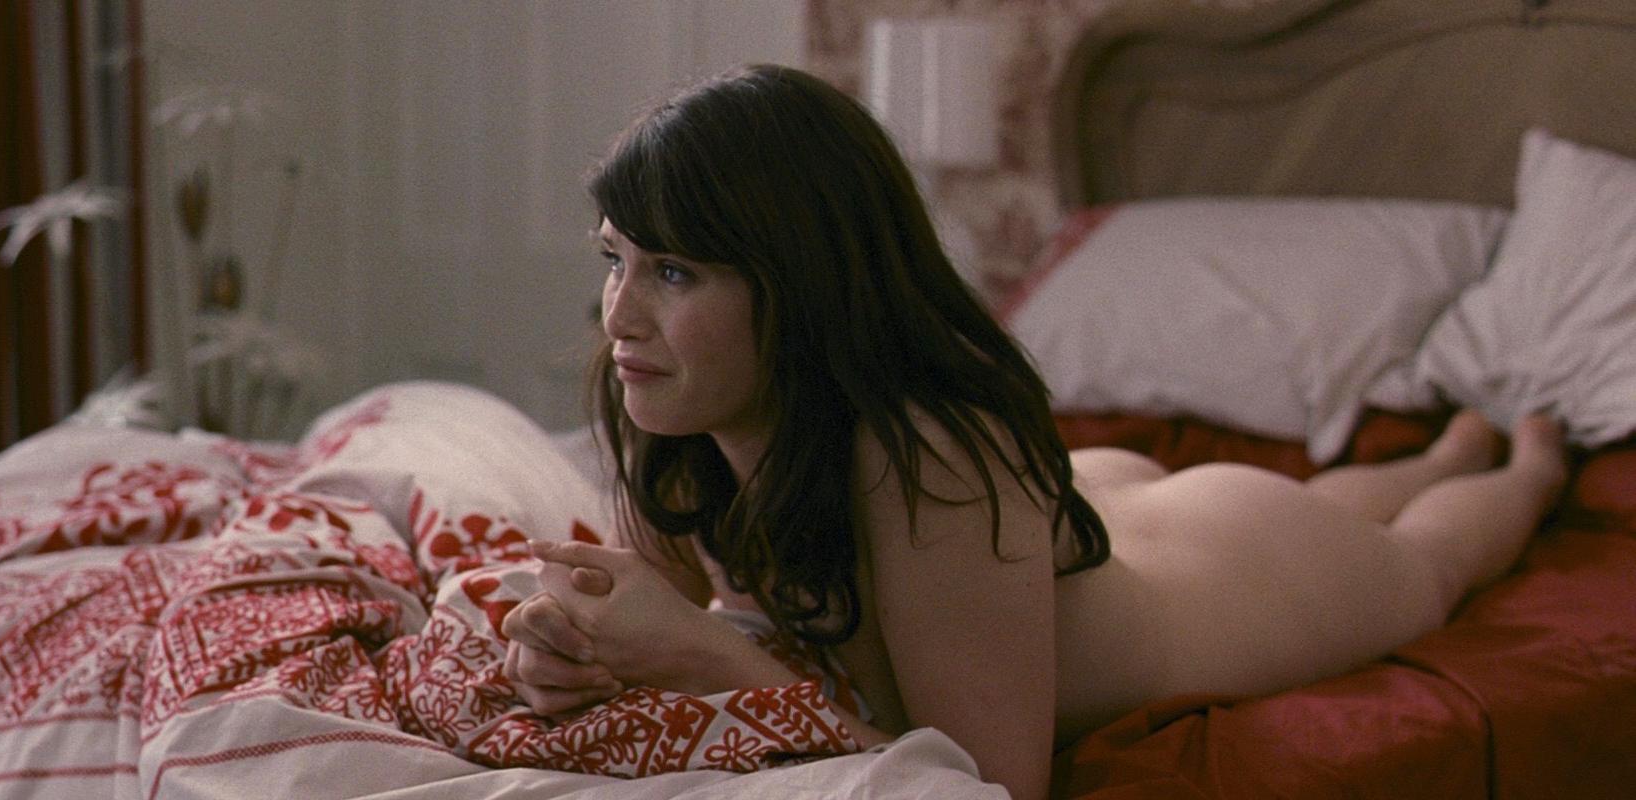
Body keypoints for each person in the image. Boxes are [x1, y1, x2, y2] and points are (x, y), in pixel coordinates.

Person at [497, 64, 1569, 799]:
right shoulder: (671, 403)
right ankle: (1439, 452)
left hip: (1235, 566)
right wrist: (568, 656)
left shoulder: (928, 457)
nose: (618, 315)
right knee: (1353, 492)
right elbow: (648, 625)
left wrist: (705, 651)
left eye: (673, 272)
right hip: (1071, 529)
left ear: (804, 282)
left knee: (1425, 559)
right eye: (615, 260)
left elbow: (991, 784)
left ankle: (1517, 453)